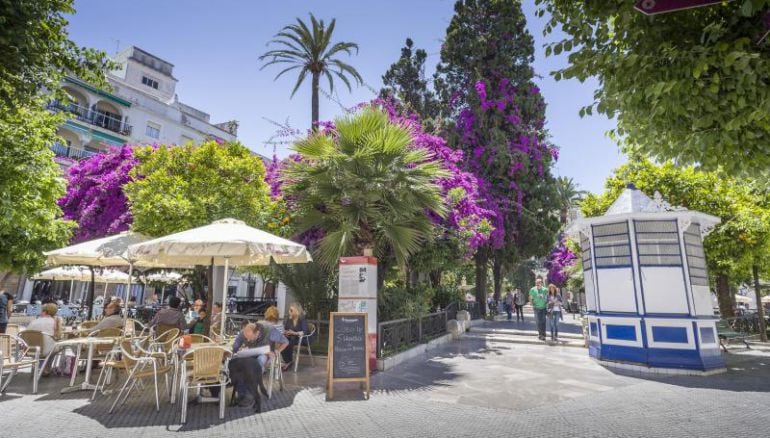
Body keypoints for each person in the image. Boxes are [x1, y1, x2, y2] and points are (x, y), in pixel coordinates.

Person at [281, 303, 309, 370]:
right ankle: (288, 361)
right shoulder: (289, 319)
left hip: (302, 339)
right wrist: (286, 332)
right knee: (282, 340)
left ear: (296, 311)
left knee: (290, 340)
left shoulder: (302, 319)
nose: (289, 312)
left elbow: (305, 332)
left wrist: (294, 333)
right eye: (289, 310)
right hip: (292, 337)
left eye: (291, 310)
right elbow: (286, 329)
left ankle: (288, 362)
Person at [529, 276, 548, 341]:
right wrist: (532, 303)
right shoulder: (532, 289)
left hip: (543, 307)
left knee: (543, 321)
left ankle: (543, 334)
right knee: (538, 321)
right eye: (537, 282)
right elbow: (531, 297)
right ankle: (540, 334)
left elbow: (547, 299)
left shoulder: (545, 290)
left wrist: (544, 298)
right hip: (536, 308)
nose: (537, 283)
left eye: (539, 282)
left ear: (542, 283)